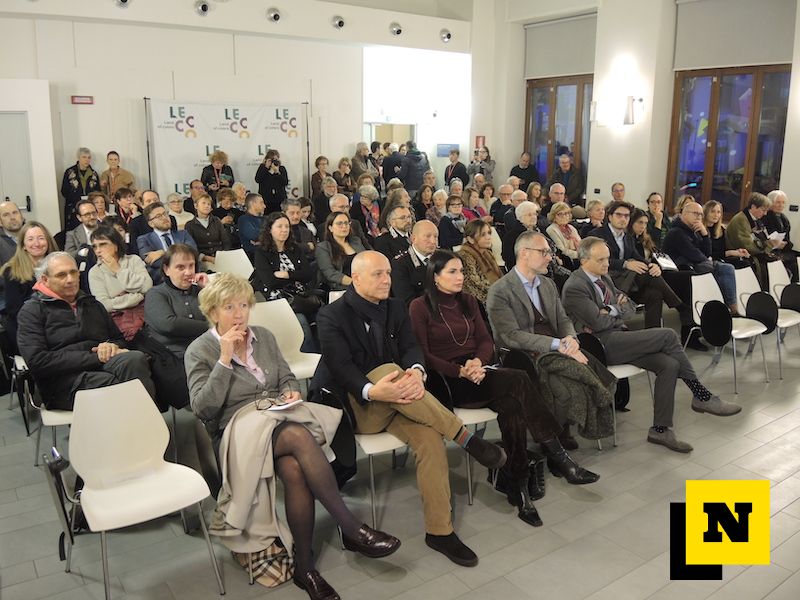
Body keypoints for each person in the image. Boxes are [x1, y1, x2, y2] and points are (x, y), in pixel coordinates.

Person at [184, 273, 400, 597]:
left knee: (294, 468)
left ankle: (304, 566)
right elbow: (203, 409)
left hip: (277, 418)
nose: (239, 314)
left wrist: (290, 393)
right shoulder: (200, 350)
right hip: (236, 432)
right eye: (229, 307)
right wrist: (224, 360)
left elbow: (286, 376)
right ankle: (351, 528)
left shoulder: (263, 337)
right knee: (299, 437)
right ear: (212, 311)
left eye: (244, 305)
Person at [315, 250, 508, 567]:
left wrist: (417, 372)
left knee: (431, 440)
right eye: (378, 274)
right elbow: (340, 367)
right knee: (389, 369)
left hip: (403, 401)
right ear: (356, 277)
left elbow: (411, 347)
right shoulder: (331, 315)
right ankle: (466, 439)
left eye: (388, 273)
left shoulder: (394, 307)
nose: (386, 280)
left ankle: (440, 531)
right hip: (361, 405)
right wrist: (374, 389)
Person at [412, 250, 599, 525]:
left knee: (512, 409)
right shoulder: (419, 307)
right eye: (452, 272)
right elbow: (423, 354)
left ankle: (519, 487)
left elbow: (486, 341)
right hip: (449, 381)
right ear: (435, 276)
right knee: (519, 378)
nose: (460, 277)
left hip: (480, 371)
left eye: (462, 271)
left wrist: (477, 362)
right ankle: (558, 454)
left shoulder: (468, 301)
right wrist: (460, 370)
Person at [561, 237, 742, 452]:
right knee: (668, 336)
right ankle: (701, 395)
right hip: (599, 346)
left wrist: (611, 310)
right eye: (600, 260)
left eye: (608, 258)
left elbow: (630, 306)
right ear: (583, 260)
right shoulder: (575, 286)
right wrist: (617, 309)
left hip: (618, 337)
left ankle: (660, 430)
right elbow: (599, 323)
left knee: (669, 365)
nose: (607, 264)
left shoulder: (603, 277)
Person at [487, 231, 615, 449]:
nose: (550, 257)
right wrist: (559, 345)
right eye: (544, 252)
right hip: (524, 354)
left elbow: (563, 319)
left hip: (556, 349)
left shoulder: (547, 284)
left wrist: (571, 339)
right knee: (563, 391)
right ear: (525, 253)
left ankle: (558, 431)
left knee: (573, 383)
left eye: (550, 252)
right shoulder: (500, 291)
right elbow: (510, 336)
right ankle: (553, 438)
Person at [17, 252, 155, 410]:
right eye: (61, 275)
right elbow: (38, 361)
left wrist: (111, 346)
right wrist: (95, 357)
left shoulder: (92, 304)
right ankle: (136, 420)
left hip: (101, 364)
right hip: (62, 381)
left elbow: (119, 339)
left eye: (73, 272)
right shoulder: (32, 311)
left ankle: (144, 421)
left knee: (135, 360)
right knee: (119, 385)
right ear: (45, 279)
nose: (70, 279)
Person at [588, 200, 686, 332]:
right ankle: (680, 306)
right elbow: (595, 261)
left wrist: (652, 265)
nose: (623, 219)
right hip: (607, 280)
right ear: (610, 217)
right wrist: (626, 264)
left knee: (655, 294)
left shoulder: (627, 237)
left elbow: (638, 257)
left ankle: (653, 335)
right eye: (619, 215)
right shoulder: (597, 234)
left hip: (627, 282)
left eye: (626, 216)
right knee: (643, 272)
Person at [663, 201, 739, 314]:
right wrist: (708, 261)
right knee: (724, 269)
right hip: (682, 268)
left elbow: (707, 252)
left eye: (700, 214)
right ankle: (730, 309)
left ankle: (726, 308)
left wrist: (704, 234)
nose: (698, 217)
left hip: (694, 264)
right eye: (695, 213)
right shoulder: (677, 232)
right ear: (684, 214)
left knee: (726, 268)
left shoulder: (692, 230)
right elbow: (695, 255)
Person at [144, 244, 209, 359]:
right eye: (180, 267)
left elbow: (222, 316)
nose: (188, 272)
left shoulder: (200, 291)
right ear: (166, 269)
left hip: (205, 351)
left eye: (191, 266)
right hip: (173, 356)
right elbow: (169, 325)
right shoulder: (156, 293)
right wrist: (212, 327)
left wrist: (208, 289)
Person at [1, 221, 58, 351]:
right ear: (24, 245)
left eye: (41, 238)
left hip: (60, 324)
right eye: (30, 239)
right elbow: (15, 310)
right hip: (30, 329)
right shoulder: (12, 271)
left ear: (48, 241)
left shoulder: (59, 265)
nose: (36, 243)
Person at [89, 225, 152, 341]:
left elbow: (147, 287)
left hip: (145, 314)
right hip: (117, 321)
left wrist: (118, 270)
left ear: (116, 245)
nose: (98, 250)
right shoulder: (95, 272)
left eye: (103, 244)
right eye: (94, 246)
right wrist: (135, 297)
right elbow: (104, 305)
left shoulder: (133, 260)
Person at [726, 192, 780, 288]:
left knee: (776, 260)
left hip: (751, 252)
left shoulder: (754, 219)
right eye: (763, 210)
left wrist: (769, 243)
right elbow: (747, 246)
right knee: (768, 264)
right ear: (753, 207)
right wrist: (769, 246)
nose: (765, 214)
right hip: (740, 253)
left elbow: (760, 238)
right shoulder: (741, 220)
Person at [137, 202, 197, 283]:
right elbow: (154, 262)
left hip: (189, 276)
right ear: (151, 223)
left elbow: (192, 252)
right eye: (158, 216)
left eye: (165, 214)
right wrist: (180, 258)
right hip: (162, 280)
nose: (164, 218)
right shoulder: (144, 240)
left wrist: (163, 252)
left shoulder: (183, 234)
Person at [314, 212, 367, 292]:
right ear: (330, 228)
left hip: (363, 283)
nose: (344, 226)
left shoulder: (356, 241)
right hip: (341, 288)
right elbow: (330, 274)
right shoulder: (323, 247)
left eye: (346, 223)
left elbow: (366, 262)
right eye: (339, 223)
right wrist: (356, 283)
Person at [390, 220, 438, 305]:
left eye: (435, 237)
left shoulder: (442, 259)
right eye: (428, 236)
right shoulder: (400, 264)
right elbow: (406, 301)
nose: (433, 241)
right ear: (413, 239)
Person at [458, 220, 502, 304]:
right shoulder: (464, 257)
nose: (488, 237)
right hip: (481, 304)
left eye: (489, 233)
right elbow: (473, 288)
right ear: (470, 239)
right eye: (483, 235)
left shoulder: (487, 253)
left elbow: (500, 278)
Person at [61, 147, 101, 229]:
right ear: (78, 158)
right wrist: (76, 198)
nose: (87, 160)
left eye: (89, 157)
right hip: (73, 208)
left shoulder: (94, 174)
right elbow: (64, 191)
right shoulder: (69, 172)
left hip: (89, 208)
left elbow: (98, 191)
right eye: (84, 157)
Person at [184, 194, 231, 265]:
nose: (207, 206)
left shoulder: (216, 221)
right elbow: (190, 248)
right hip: (201, 261)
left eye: (209, 204)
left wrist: (224, 255)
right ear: (196, 206)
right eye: (203, 203)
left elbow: (225, 241)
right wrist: (205, 258)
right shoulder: (190, 225)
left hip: (220, 258)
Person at [704, 200, 752, 268]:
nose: (716, 215)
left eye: (718, 212)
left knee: (746, 263)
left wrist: (737, 251)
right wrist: (729, 253)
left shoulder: (721, 229)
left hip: (723, 259)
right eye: (712, 211)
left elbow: (725, 249)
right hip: (711, 261)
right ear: (705, 213)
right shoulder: (701, 230)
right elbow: (707, 254)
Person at [765, 190, 799, 282]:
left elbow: (787, 239)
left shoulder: (784, 219)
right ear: (770, 203)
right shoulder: (765, 217)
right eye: (778, 202)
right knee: (794, 265)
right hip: (770, 250)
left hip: (783, 249)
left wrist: (785, 244)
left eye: (783, 203)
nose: (781, 205)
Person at [0, 200, 24, 313]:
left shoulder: (33, 236)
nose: (12, 217)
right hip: (6, 296)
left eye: (15, 212)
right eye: (6, 215)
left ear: (21, 216)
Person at [546, 201, 581, 268]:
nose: (564, 216)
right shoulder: (551, 229)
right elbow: (562, 251)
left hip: (578, 258)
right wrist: (580, 255)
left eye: (566, 213)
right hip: (565, 261)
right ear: (554, 216)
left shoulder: (571, 228)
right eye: (560, 214)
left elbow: (581, 245)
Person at [255, 149, 289, 214]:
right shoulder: (263, 168)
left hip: (279, 199)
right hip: (266, 200)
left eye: (276, 160)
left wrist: (277, 172)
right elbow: (257, 179)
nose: (274, 162)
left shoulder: (281, 169)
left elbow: (285, 182)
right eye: (272, 160)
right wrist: (266, 167)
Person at [238, 192, 266, 261]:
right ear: (252, 204)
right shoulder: (244, 219)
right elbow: (254, 235)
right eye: (261, 203)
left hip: (267, 252)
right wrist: (268, 237)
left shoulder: (266, 219)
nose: (264, 206)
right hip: (252, 256)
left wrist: (261, 241)